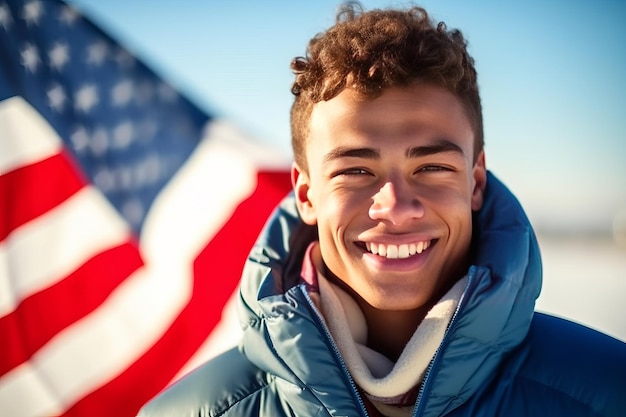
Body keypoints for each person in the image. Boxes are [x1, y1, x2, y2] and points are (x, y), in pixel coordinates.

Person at [138, 2, 626, 416]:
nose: (395, 206)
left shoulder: (608, 391)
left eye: (431, 167)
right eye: (355, 171)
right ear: (306, 194)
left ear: (475, 183)